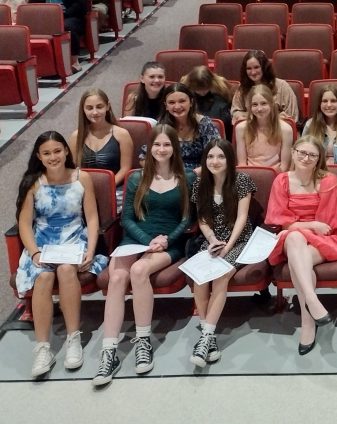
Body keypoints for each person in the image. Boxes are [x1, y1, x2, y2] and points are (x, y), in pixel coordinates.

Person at [93, 125, 196, 386]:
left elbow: (187, 219)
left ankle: (143, 340)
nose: (161, 150)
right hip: (137, 239)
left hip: (167, 242)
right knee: (116, 278)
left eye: (166, 145)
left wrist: (165, 241)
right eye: (157, 145)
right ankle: (109, 351)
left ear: (175, 148)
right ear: (149, 148)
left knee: (139, 272)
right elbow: (126, 218)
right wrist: (145, 241)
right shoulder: (137, 178)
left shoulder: (187, 177)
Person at [17, 131, 107, 378]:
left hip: (74, 239)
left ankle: (73, 338)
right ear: (39, 156)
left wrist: (90, 250)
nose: (53, 156)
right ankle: (43, 347)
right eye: (46, 153)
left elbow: (91, 217)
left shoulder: (82, 177)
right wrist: (34, 253)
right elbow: (25, 223)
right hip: (43, 242)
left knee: (67, 270)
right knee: (44, 277)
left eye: (57, 151)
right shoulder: (33, 182)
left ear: (66, 151)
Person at [264, 136, 337, 355]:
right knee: (294, 238)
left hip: (327, 238)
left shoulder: (329, 180)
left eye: (312, 155)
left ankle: (308, 321)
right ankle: (313, 301)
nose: (306, 158)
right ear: (294, 152)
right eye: (302, 153)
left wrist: (309, 227)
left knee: (300, 257)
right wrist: (309, 225)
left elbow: (331, 222)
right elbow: (278, 217)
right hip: (293, 236)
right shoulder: (282, 181)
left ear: (319, 159)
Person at [188, 139, 257, 368]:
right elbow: (202, 219)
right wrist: (212, 240)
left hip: (239, 240)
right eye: (210, 157)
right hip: (213, 240)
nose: (215, 161)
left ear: (229, 160)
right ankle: (209, 336)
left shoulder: (242, 181)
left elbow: (242, 218)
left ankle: (205, 336)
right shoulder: (200, 184)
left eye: (220, 157)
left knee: (219, 275)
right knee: (200, 277)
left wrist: (228, 245)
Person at [69, 89, 132, 207]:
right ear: (83, 109)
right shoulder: (76, 137)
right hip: (84, 191)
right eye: (89, 108)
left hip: (115, 190)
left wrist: (106, 188)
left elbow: (125, 169)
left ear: (108, 106)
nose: (95, 112)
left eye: (99, 107)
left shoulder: (122, 134)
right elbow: (73, 169)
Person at [154, 83, 221, 171]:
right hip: (170, 174)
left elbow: (216, 155)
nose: (177, 106)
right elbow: (144, 157)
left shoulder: (205, 124)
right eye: (171, 102)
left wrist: (193, 174)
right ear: (166, 106)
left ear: (191, 102)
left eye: (182, 101)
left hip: (202, 174)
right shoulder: (161, 125)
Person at [234, 84, 294, 172]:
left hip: (275, 177)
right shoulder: (241, 128)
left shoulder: (286, 130)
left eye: (264, 103)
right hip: (249, 176)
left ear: (272, 104)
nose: (259, 109)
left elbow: (284, 167)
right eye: (254, 104)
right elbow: (242, 164)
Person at [230, 50, 298, 125]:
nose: (253, 72)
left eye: (256, 67)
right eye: (249, 68)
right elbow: (235, 112)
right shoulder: (242, 88)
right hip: (251, 131)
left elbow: (291, 117)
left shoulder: (282, 86)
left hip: (278, 130)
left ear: (264, 67)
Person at [180, 65, 233, 142]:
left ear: (210, 83)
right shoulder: (185, 85)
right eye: (198, 89)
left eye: (205, 89)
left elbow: (229, 101)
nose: (202, 93)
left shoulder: (222, 86)